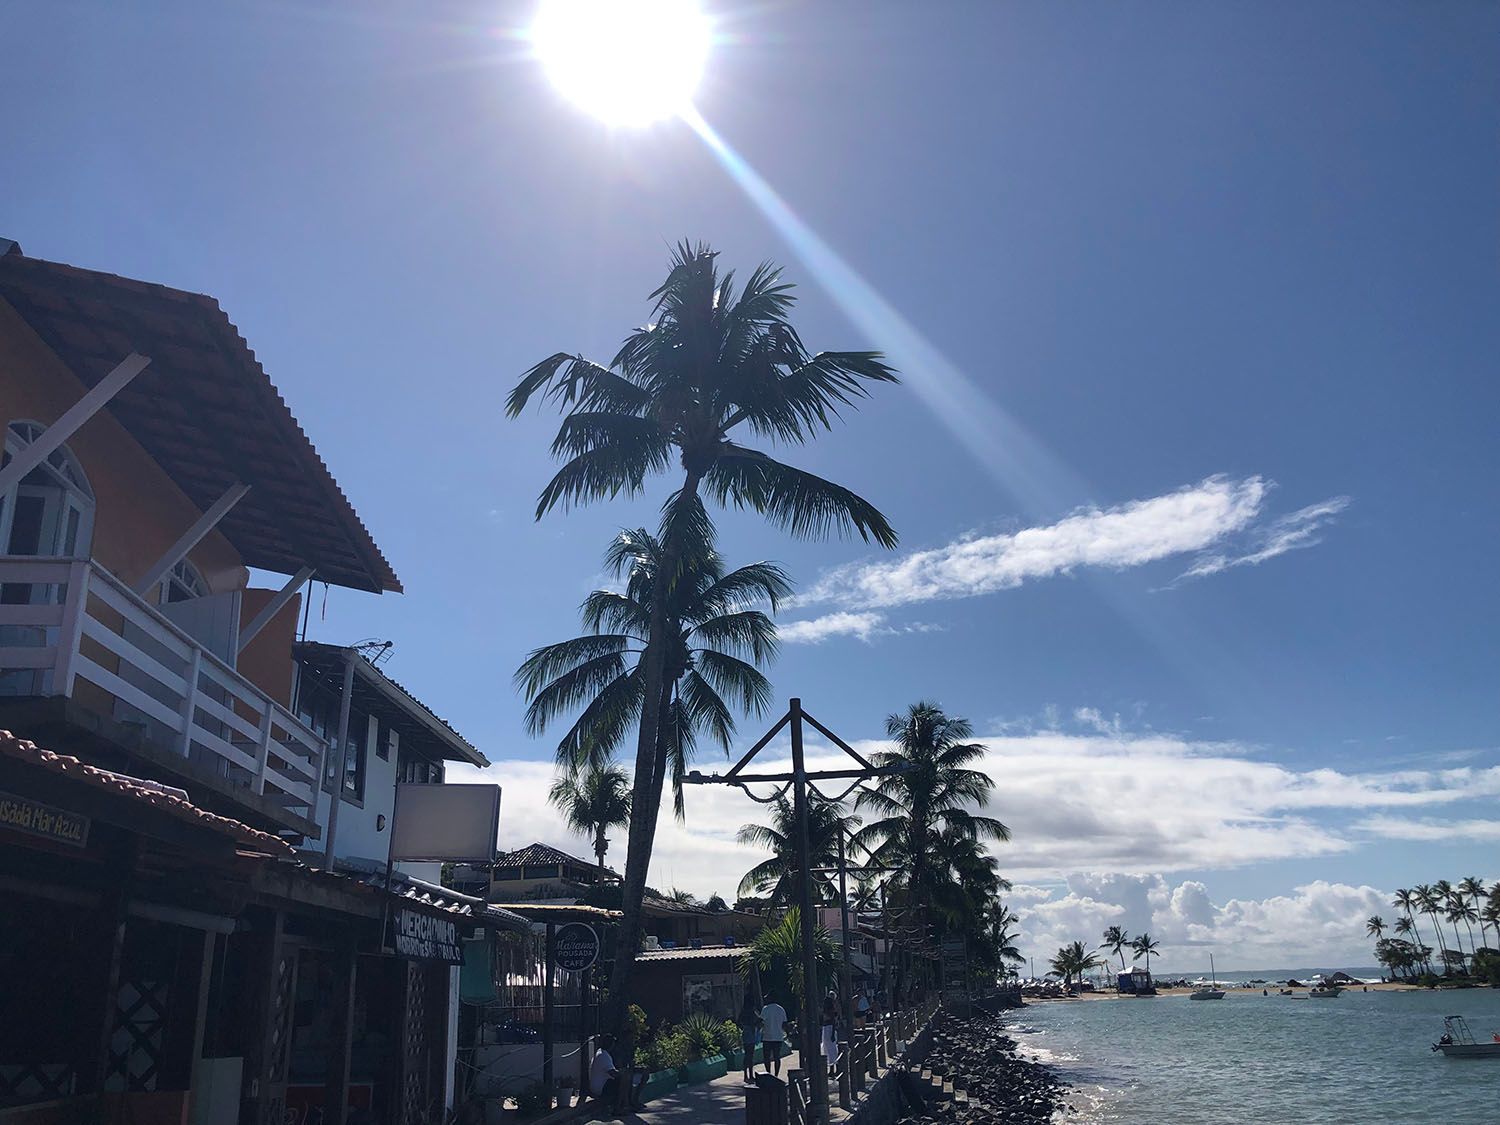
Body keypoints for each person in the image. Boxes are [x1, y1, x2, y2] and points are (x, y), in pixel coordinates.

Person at [760, 995, 788, 1077]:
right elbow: (784, 1023)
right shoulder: (781, 1009)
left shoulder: (765, 1009)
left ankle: (768, 1073)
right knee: (777, 1057)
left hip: (767, 1037)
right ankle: (776, 1074)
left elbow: (760, 1021)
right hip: (778, 1037)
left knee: (766, 1057)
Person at [739, 992, 763, 1084]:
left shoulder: (744, 1011)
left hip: (746, 1033)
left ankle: (746, 1075)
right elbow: (757, 1021)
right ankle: (750, 1075)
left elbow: (739, 1021)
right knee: (750, 1055)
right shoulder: (752, 1011)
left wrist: (745, 1027)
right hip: (751, 1033)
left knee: (747, 1055)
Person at [820, 990, 840, 1076]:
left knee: (832, 1050)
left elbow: (833, 1021)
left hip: (829, 1028)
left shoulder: (830, 1010)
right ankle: (831, 1069)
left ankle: (835, 1068)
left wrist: (832, 1034)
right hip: (826, 1028)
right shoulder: (826, 1010)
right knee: (826, 1049)